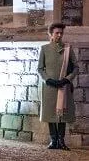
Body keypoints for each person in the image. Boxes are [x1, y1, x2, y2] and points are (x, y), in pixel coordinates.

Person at [38, 22, 79, 151]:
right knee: (50, 113)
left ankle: (61, 142)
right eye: (57, 33)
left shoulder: (68, 48)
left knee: (63, 114)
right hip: (49, 87)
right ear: (50, 34)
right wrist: (48, 80)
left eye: (61, 33)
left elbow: (76, 68)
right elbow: (40, 69)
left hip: (64, 86)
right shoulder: (44, 49)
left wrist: (67, 79)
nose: (59, 35)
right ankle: (53, 141)